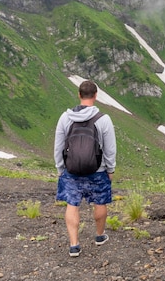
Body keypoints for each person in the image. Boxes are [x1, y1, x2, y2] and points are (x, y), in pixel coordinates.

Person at [54, 80, 117, 257]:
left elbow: (58, 146)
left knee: (72, 204)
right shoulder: (103, 119)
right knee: (100, 201)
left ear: (79, 95)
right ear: (95, 96)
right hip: (97, 170)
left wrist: (61, 169)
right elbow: (110, 149)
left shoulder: (65, 118)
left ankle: (74, 245)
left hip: (71, 170)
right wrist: (110, 170)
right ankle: (99, 235)